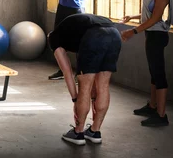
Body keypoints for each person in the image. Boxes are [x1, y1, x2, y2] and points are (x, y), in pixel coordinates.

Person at [121, 0, 173, 127]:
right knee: (154, 72)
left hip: (157, 35)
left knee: (158, 73)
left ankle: (161, 115)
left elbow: (156, 18)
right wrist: (133, 17)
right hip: (152, 34)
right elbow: (150, 14)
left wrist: (134, 31)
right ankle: (153, 106)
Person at [48, 13, 122, 145]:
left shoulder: (53, 38)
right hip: (114, 34)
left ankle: (78, 132)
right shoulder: (74, 30)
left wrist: (75, 99)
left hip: (95, 36)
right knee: (103, 85)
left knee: (84, 87)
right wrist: (93, 97)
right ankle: (95, 131)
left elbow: (67, 72)